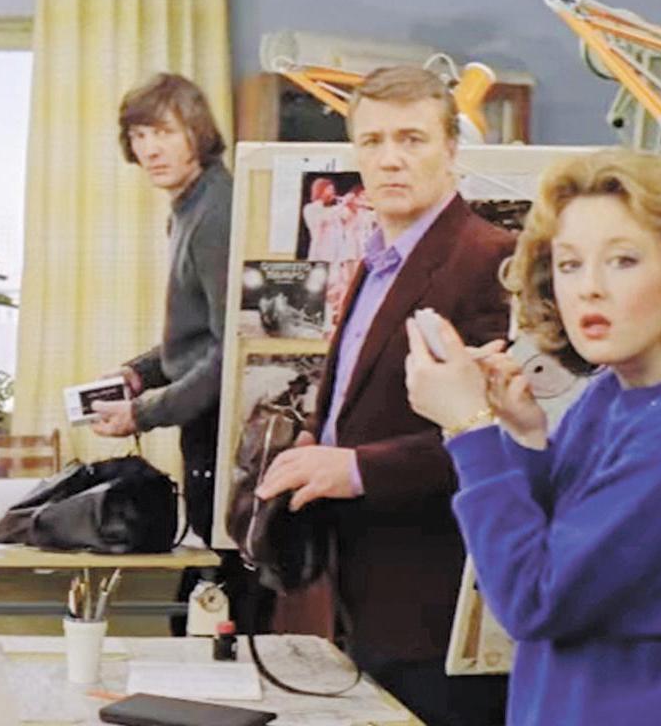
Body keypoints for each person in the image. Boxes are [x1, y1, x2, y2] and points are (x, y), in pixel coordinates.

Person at [405, 149, 661, 725]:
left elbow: (533, 599)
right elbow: (546, 543)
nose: (589, 288)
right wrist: (524, 437)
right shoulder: (615, 391)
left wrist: (470, 428)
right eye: (569, 265)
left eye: (623, 261)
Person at [255, 65, 514, 726]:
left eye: (412, 139)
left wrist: (356, 468)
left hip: (435, 605)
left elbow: (501, 435)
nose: (390, 158)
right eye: (372, 141)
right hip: (358, 591)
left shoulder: (490, 260)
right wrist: (319, 438)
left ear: (451, 148)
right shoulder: (375, 260)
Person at [90, 72, 230, 547]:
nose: (150, 150)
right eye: (139, 135)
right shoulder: (190, 206)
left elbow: (231, 349)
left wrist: (142, 412)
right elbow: (200, 333)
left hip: (220, 425)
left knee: (216, 571)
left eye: (165, 133)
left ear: (198, 132)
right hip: (203, 420)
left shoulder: (215, 212)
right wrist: (141, 372)